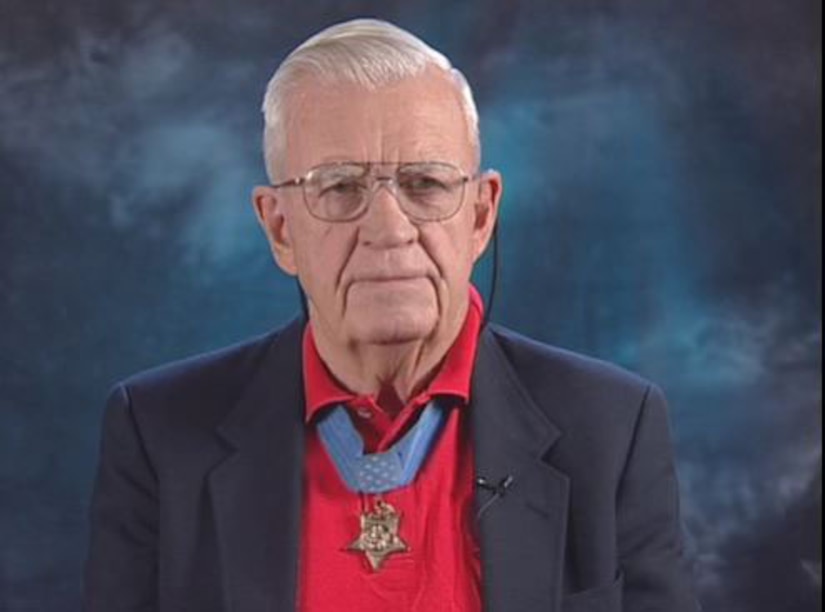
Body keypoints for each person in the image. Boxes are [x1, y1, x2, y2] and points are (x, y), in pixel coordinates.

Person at [83, 18, 699, 612]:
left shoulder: (614, 429)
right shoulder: (157, 432)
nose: (388, 229)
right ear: (279, 228)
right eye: (340, 187)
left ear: (481, 215)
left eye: (426, 183)